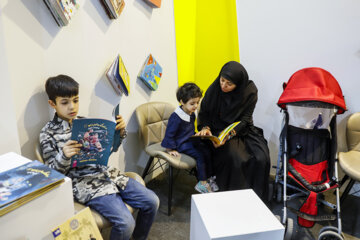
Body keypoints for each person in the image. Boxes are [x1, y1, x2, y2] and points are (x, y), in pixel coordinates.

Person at [39, 75, 159, 240]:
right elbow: (50, 174)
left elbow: (107, 151)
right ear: (53, 104)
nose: (72, 106)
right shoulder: (48, 133)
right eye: (65, 102)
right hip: (85, 184)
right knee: (126, 223)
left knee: (152, 201)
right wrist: (63, 156)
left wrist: (119, 133)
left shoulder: (84, 122)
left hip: (109, 175)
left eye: (75, 100)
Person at [196, 61, 270, 201]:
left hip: (241, 129)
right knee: (235, 158)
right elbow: (204, 113)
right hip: (217, 130)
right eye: (222, 80)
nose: (223, 85)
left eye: (229, 84)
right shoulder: (214, 90)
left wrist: (228, 135)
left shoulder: (250, 91)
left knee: (261, 157)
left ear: (238, 84)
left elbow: (245, 119)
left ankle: (255, 199)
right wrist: (205, 128)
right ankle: (231, 199)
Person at [161, 82, 217, 193]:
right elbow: (169, 134)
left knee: (207, 149)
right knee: (200, 155)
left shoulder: (191, 112)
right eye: (192, 103)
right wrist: (170, 149)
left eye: (197, 102)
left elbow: (189, 129)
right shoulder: (176, 117)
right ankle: (202, 183)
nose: (196, 106)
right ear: (182, 101)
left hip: (190, 139)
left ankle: (209, 177)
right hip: (180, 144)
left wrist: (196, 134)